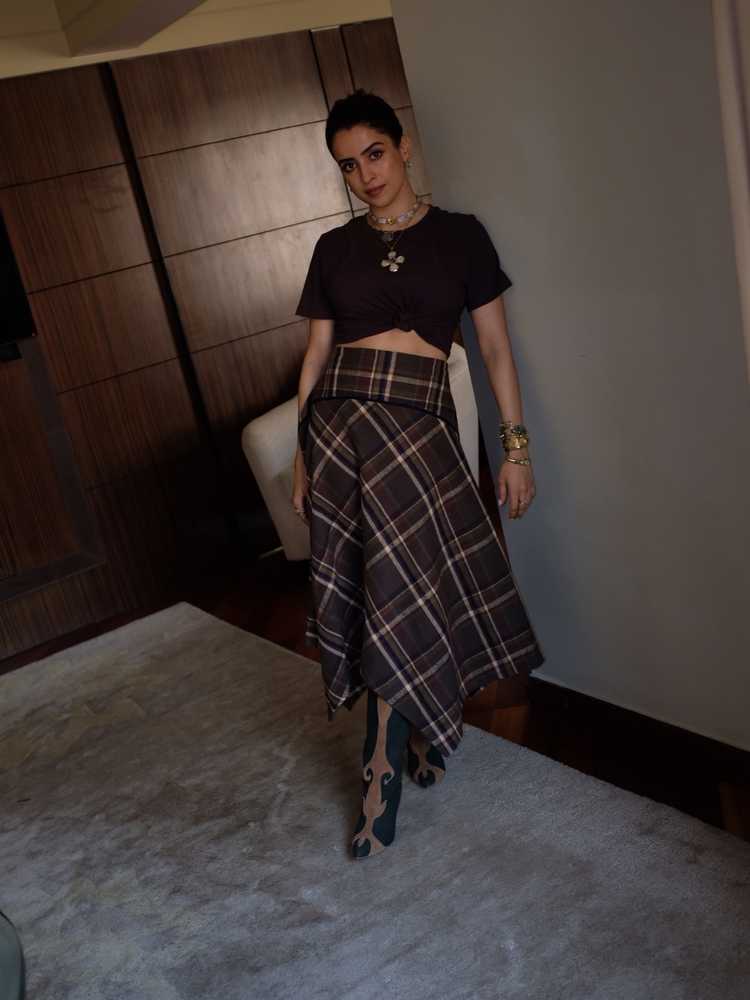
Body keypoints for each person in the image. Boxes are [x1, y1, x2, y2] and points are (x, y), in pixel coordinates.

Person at [291, 88, 545, 860]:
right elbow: (316, 356)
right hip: (343, 427)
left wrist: (515, 449)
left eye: (374, 153)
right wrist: (303, 454)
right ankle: (387, 768)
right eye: (348, 165)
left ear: (402, 148)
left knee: (406, 589)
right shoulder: (332, 249)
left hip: (417, 427)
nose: (365, 174)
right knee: (383, 590)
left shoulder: (462, 237)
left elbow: (494, 349)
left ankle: (404, 746)